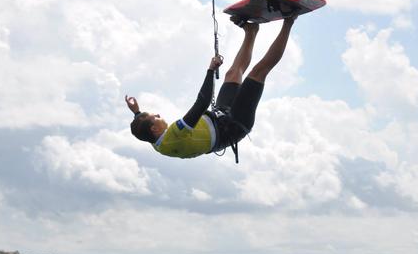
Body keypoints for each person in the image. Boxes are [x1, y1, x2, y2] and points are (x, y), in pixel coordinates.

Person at [125, 16, 297, 159]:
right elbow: (202, 102)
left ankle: (251, 31)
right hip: (235, 124)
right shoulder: (174, 135)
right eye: (155, 117)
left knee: (233, 73)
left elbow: (142, 128)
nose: (158, 114)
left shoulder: (155, 142)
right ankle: (289, 21)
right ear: (155, 129)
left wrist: (137, 113)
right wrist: (210, 70)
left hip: (220, 117)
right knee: (258, 72)